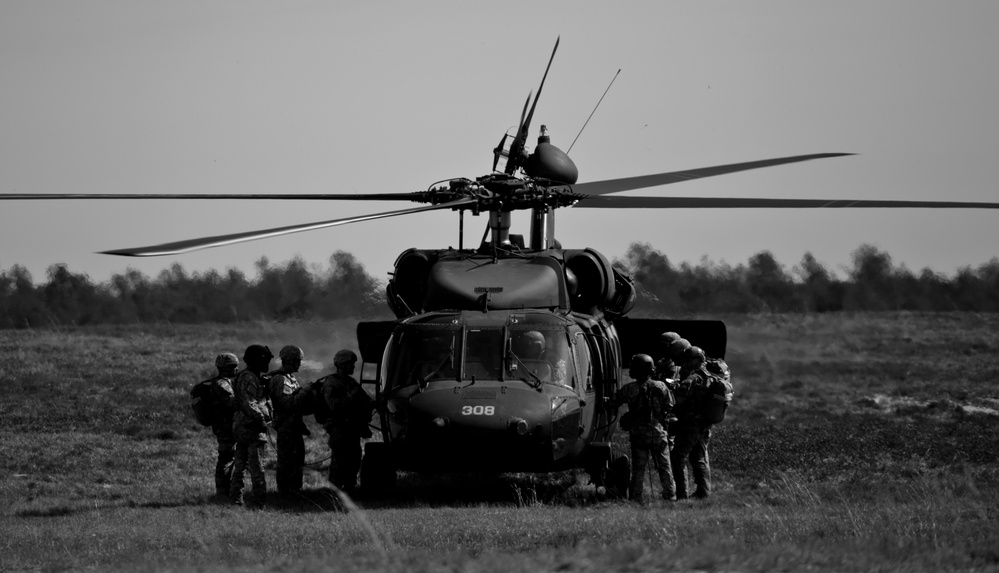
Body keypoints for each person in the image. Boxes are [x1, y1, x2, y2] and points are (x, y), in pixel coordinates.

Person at [614, 354, 676, 503]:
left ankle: (636, 498)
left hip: (639, 436)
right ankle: (671, 497)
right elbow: (670, 405)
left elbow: (614, 402)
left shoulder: (630, 389)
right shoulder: (661, 386)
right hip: (658, 433)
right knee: (665, 468)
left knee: (638, 470)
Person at [317, 349, 374, 494]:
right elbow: (334, 406)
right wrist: (351, 397)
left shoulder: (351, 382)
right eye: (350, 364)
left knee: (354, 460)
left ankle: (350, 490)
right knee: (339, 463)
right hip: (339, 429)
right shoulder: (331, 383)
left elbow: (365, 399)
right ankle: (335, 493)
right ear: (342, 365)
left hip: (352, 429)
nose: (353, 368)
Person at [230, 344, 274, 506]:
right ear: (258, 361)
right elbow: (250, 403)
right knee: (257, 467)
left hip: (242, 427)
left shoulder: (248, 376)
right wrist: (261, 419)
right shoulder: (249, 378)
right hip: (252, 427)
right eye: (266, 360)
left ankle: (235, 498)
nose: (268, 364)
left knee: (240, 465)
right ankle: (259, 501)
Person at [267, 345, 314, 496]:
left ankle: (295, 490)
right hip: (286, 427)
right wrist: (306, 390)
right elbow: (288, 403)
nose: (300, 364)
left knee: (297, 459)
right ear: (290, 361)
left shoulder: (290, 378)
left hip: (293, 426)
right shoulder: (281, 379)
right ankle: (285, 492)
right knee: (287, 460)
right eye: (298, 361)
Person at [671, 345, 712, 500]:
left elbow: (679, 399)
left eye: (689, 359)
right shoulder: (709, 375)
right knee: (699, 457)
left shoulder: (694, 378)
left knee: (677, 457)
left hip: (691, 424)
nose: (686, 363)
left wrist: (674, 388)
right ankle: (704, 493)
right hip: (704, 424)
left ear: (696, 359)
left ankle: (681, 494)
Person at [207, 352, 238, 499]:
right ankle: (222, 492)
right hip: (225, 427)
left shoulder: (220, 382)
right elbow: (233, 403)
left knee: (228, 458)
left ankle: (226, 491)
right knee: (226, 459)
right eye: (234, 366)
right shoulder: (222, 384)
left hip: (225, 426)